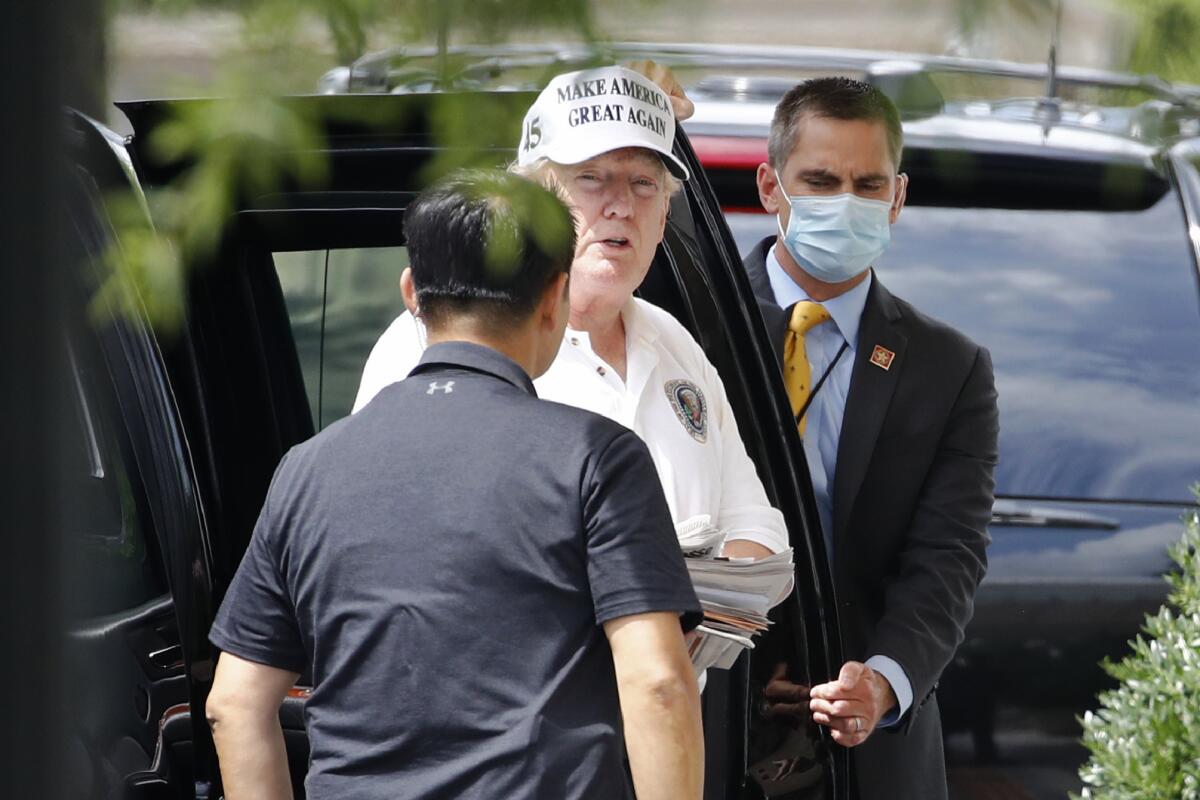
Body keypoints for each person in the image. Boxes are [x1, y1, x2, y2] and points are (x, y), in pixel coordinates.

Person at [204, 170, 705, 800]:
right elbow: (658, 683)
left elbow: (234, 704)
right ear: (555, 297)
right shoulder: (596, 459)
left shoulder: (307, 469)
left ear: (411, 292)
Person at [354, 64, 789, 561]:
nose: (621, 205)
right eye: (591, 178)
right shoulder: (432, 340)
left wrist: (692, 614)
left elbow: (757, 522)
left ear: (666, 213)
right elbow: (384, 536)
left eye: (644, 183)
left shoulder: (676, 342)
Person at [745, 77, 999, 798]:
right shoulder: (693, 331)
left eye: (868, 183)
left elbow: (947, 558)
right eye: (820, 181)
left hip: (866, 757)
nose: (845, 203)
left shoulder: (948, 369)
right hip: (707, 723)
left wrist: (882, 684)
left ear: (898, 196)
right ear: (771, 186)